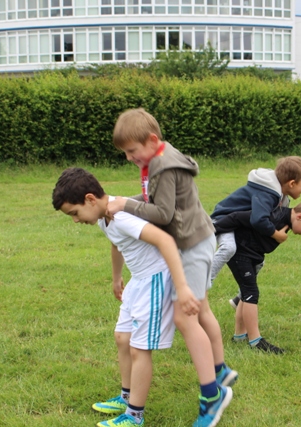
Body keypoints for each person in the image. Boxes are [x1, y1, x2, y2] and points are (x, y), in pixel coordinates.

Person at [107, 108, 235, 427]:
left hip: (192, 246)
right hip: (197, 240)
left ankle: (212, 396)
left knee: (185, 317)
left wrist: (124, 204)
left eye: (132, 151)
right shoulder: (158, 159)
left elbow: (162, 213)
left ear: (152, 140)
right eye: (125, 153)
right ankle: (219, 371)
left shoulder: (163, 166)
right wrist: (124, 200)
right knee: (200, 310)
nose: (129, 158)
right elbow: (153, 199)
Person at [52, 167, 198, 427]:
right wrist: (116, 277)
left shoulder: (121, 217)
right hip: (138, 280)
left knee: (139, 348)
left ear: (90, 199)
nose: (75, 220)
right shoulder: (104, 217)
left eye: (74, 213)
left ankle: (134, 415)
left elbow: (165, 241)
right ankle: (126, 396)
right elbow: (116, 243)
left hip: (154, 280)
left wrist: (182, 286)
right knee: (122, 338)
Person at [213, 197, 301, 354]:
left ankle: (239, 336)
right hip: (240, 254)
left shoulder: (285, 221)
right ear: (300, 217)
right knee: (251, 293)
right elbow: (237, 217)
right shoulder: (273, 216)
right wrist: (212, 230)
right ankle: (256, 341)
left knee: (246, 293)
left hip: (252, 256)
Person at [209, 156, 301, 308]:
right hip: (223, 220)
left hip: (239, 224)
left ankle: (240, 297)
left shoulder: (281, 197)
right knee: (229, 248)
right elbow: (259, 220)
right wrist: (276, 234)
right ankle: (203, 281)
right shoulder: (267, 194)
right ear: (291, 183)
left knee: (258, 261)